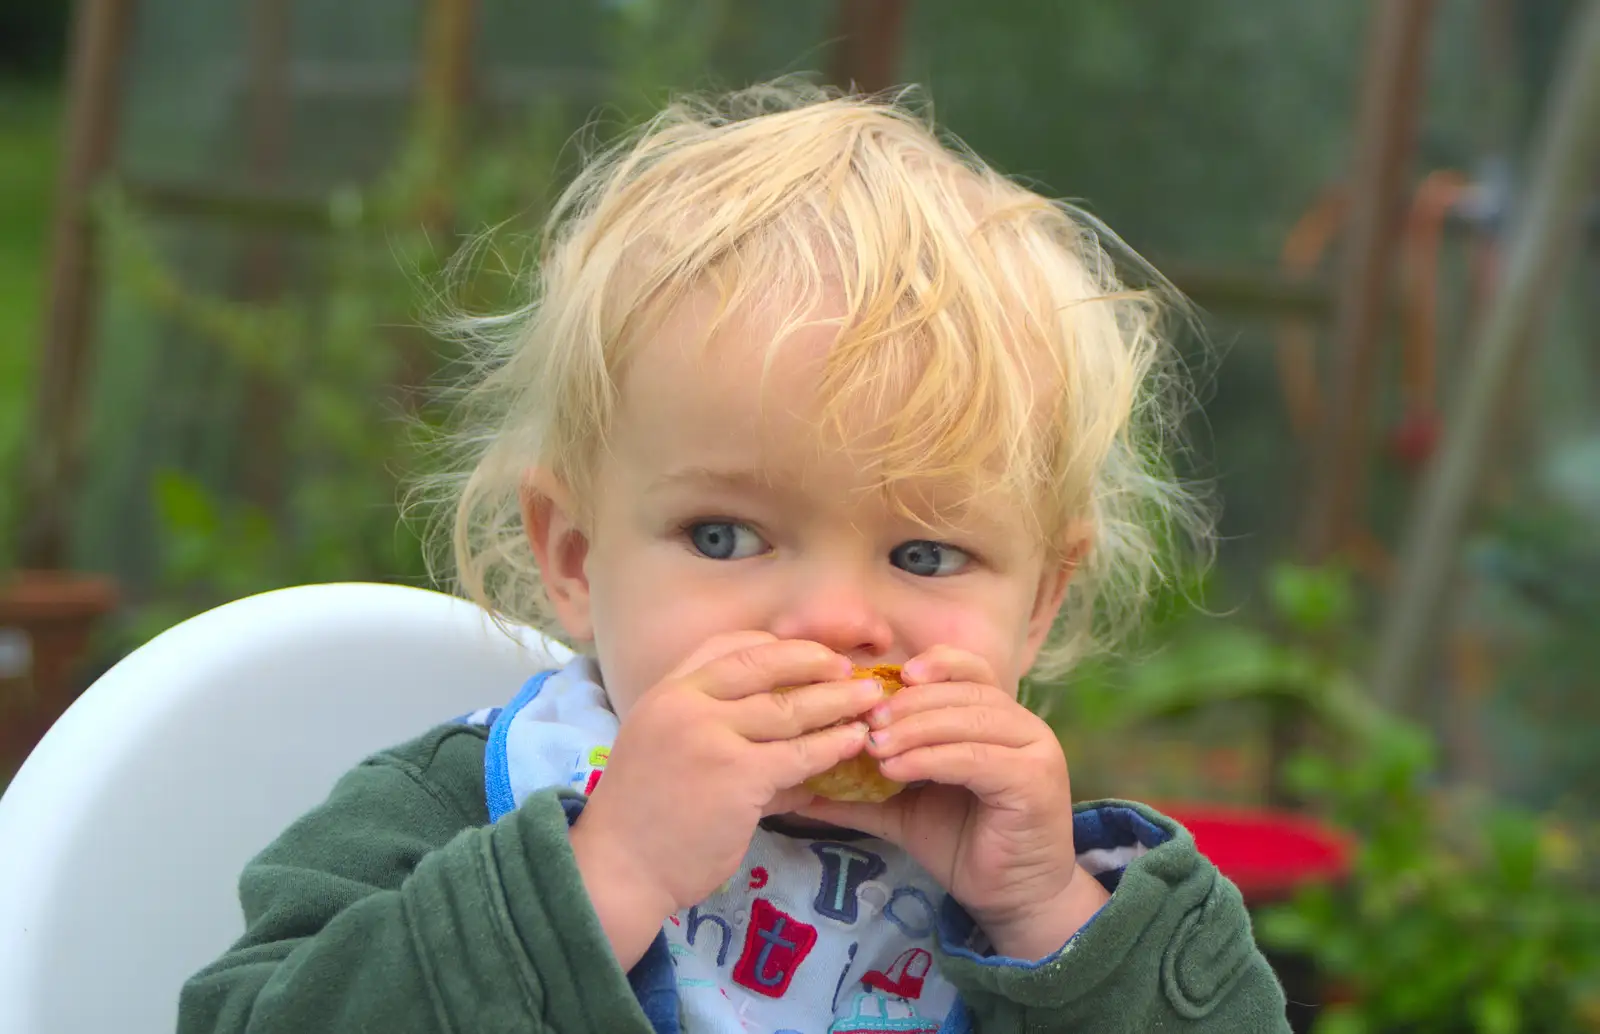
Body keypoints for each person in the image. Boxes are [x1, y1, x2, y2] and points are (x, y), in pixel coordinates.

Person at [179, 81, 1289, 1033]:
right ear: (572, 551)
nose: (831, 618)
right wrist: (605, 872)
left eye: (925, 551)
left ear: (1038, 603)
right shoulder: (447, 813)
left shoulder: (1018, 876)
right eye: (724, 536)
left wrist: (1049, 911)